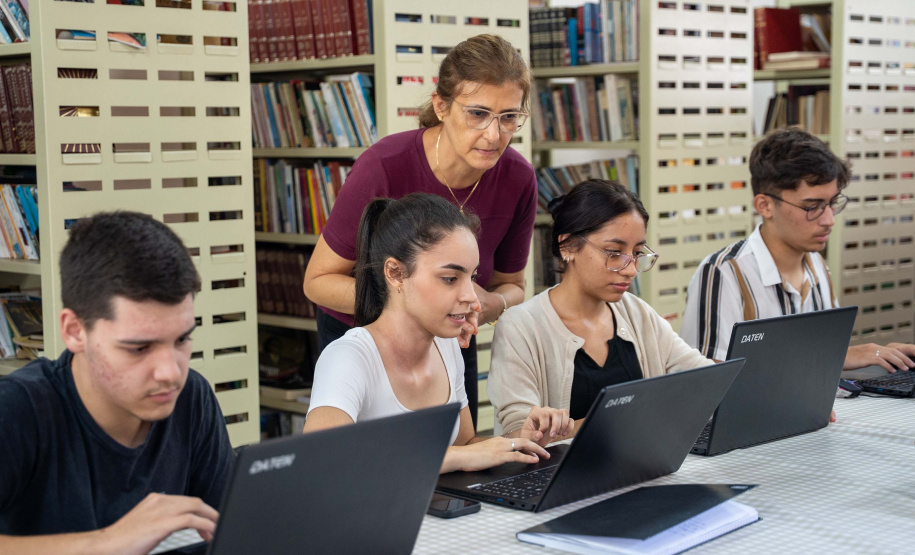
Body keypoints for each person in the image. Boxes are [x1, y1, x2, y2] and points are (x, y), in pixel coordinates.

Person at [303, 34, 538, 427]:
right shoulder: (383, 166)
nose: (494, 135)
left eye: (509, 117)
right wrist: (414, 307)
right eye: (477, 114)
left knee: (459, 459)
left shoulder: (518, 178)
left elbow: (512, 284)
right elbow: (318, 282)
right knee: (370, 468)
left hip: (450, 333)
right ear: (441, 106)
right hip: (363, 339)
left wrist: (488, 306)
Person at [0, 212, 234, 554]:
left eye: (182, 340)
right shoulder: (18, 410)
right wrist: (108, 544)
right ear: (75, 331)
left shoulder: (192, 397)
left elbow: (231, 534)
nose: (170, 372)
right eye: (139, 348)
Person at [304, 194, 563, 472]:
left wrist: (517, 442)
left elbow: (465, 446)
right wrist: (458, 456)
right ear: (395, 273)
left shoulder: (447, 347)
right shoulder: (349, 358)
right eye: (450, 279)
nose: (472, 298)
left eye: (472, 278)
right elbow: (324, 460)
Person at [488, 180, 713, 439]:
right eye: (614, 252)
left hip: (641, 468)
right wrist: (633, 417)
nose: (630, 270)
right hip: (560, 476)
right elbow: (519, 433)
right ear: (567, 247)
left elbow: (708, 380)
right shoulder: (521, 326)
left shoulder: (638, 313)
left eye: (637, 253)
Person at [681, 128, 915, 372]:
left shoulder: (817, 265)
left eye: (832, 203)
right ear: (765, 205)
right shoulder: (723, 273)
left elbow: (818, 365)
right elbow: (709, 381)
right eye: (813, 207)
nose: (829, 219)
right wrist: (839, 356)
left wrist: (881, 358)